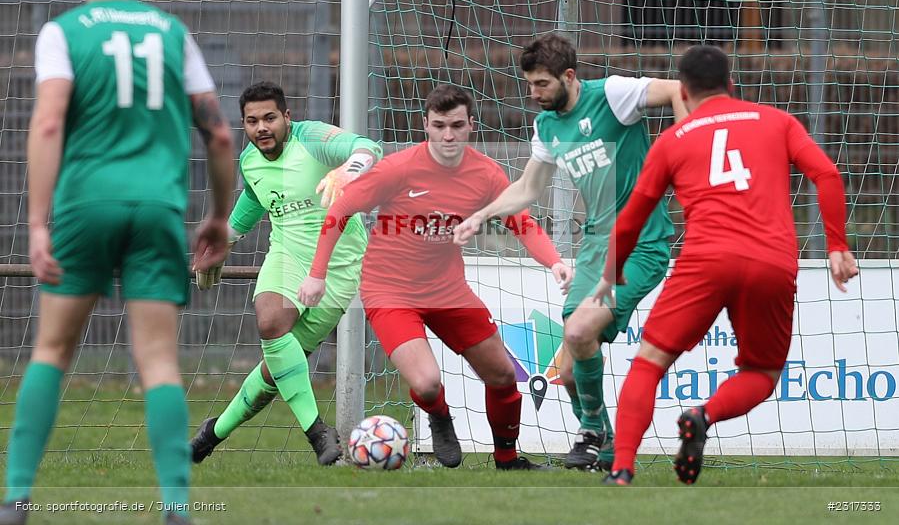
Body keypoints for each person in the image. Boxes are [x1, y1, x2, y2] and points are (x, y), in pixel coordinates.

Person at [0, 0, 235, 525]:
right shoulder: (172, 32)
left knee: (51, 350)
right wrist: (219, 215)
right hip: (156, 207)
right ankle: (177, 508)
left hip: (85, 206)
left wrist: (35, 222)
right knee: (158, 360)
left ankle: (16, 499)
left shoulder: (63, 32)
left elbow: (49, 122)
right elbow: (220, 134)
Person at [596, 45, 858, 486]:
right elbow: (827, 175)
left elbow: (632, 217)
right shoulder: (777, 121)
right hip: (772, 261)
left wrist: (611, 274)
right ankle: (703, 415)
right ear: (731, 85)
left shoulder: (673, 140)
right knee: (761, 372)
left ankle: (622, 469)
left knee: (649, 363)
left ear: (682, 90)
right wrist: (835, 246)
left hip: (705, 261)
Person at [299, 84, 572, 470]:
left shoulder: (486, 173)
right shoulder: (399, 168)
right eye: (439, 125)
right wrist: (316, 275)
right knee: (426, 382)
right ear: (425, 125)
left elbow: (522, 223)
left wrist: (555, 261)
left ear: (471, 126)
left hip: (448, 290)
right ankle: (440, 418)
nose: (448, 135)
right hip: (389, 291)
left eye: (457, 126)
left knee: (502, 375)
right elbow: (340, 209)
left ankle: (508, 460)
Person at [454, 32, 687, 471]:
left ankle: (591, 430)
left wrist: (685, 146)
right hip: (596, 244)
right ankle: (608, 447)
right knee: (568, 366)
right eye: (529, 84)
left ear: (569, 76)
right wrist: (479, 216)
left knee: (579, 333)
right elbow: (528, 187)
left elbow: (678, 89)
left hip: (641, 244)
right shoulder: (547, 126)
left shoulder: (613, 95)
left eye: (541, 83)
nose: (534, 92)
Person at [189, 81, 381, 466]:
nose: (261, 127)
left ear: (287, 117)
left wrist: (348, 171)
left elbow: (369, 148)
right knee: (271, 322)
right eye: (252, 120)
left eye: (270, 118)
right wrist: (222, 242)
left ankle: (212, 434)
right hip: (286, 256)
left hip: (340, 268)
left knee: (276, 372)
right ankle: (317, 432)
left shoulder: (312, 138)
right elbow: (255, 200)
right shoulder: (249, 160)